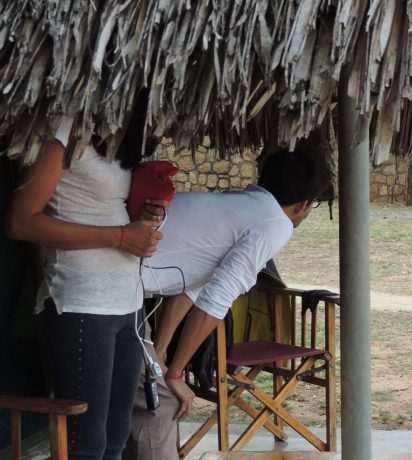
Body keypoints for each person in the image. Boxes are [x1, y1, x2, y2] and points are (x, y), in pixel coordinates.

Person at [123, 148, 329, 460]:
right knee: (161, 403)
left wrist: (163, 359)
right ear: (302, 206)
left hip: (126, 294)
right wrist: (175, 374)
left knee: (151, 393)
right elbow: (216, 299)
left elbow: (190, 288)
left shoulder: (236, 205)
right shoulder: (275, 223)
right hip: (116, 292)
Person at [5, 100, 164, 459]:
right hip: (80, 302)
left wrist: (146, 212)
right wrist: (121, 237)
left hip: (129, 302)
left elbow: (104, 208)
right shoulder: (61, 128)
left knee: (116, 438)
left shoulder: (117, 132)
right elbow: (21, 221)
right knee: (84, 444)